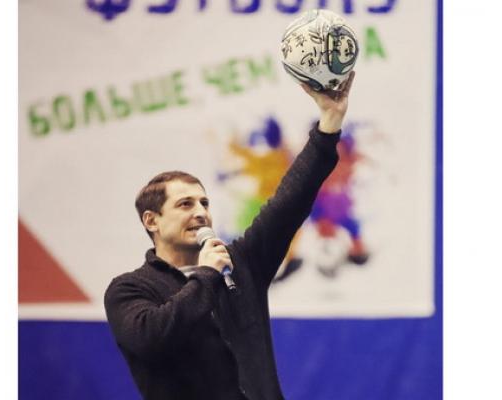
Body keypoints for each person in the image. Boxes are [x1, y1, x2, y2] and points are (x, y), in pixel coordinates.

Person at [104, 71, 356, 400]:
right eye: (185, 204)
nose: (200, 212)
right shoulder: (129, 289)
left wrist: (329, 124)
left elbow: (289, 202)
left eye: (204, 203)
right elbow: (151, 338)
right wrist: (206, 275)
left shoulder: (240, 264)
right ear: (152, 220)